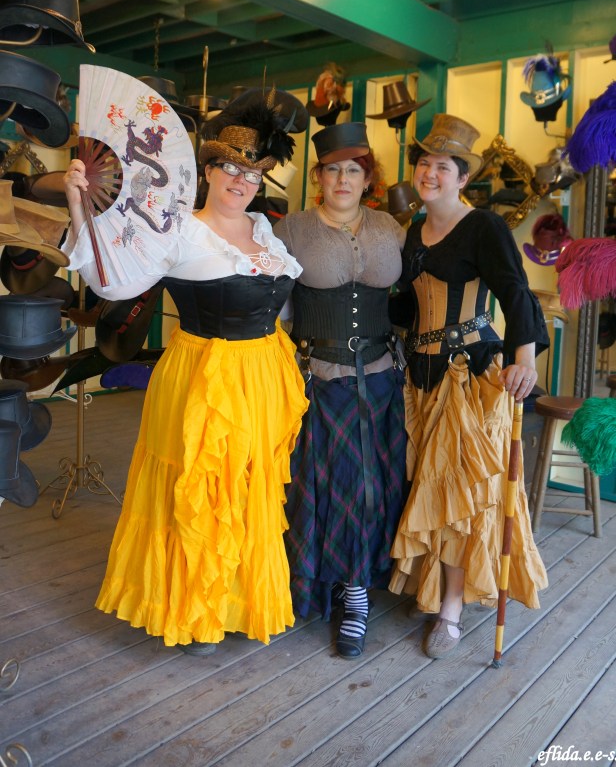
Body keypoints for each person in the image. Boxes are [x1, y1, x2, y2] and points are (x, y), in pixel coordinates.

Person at [62, 93, 309, 654]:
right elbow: (111, 283)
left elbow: (283, 305)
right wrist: (80, 207)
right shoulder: (177, 231)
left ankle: (238, 599)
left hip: (263, 375)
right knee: (196, 488)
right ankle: (193, 609)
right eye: (229, 167)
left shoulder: (266, 233)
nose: (240, 181)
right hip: (201, 376)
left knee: (247, 489)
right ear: (208, 170)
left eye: (252, 172)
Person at [388, 113, 549, 659]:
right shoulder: (412, 229)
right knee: (423, 485)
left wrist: (523, 357)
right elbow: (405, 307)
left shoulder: (484, 227)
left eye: (442, 167)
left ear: (462, 178)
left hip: (469, 373)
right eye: (424, 164)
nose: (430, 173)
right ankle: (427, 586)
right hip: (419, 375)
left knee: (458, 494)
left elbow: (516, 292)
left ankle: (451, 612)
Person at [274, 122, 408, 658]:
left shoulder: (392, 229)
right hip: (318, 379)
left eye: (354, 169)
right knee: (328, 485)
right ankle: (339, 589)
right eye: (333, 169)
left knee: (375, 484)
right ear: (319, 176)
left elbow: (420, 292)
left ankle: (355, 586)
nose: (343, 178)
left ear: (367, 177)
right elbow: (277, 306)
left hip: (381, 378)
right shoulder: (292, 232)